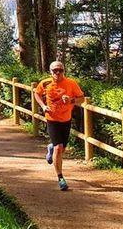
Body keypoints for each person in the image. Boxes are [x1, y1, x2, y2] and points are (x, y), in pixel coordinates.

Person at [34, 60, 84, 191]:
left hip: (66, 120)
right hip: (52, 119)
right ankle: (60, 178)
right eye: (54, 70)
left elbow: (82, 98)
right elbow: (36, 93)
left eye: (60, 70)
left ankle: (50, 148)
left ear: (64, 71)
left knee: (62, 149)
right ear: (50, 72)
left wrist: (71, 100)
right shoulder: (45, 83)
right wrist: (43, 106)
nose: (57, 73)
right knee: (58, 148)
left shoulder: (71, 83)